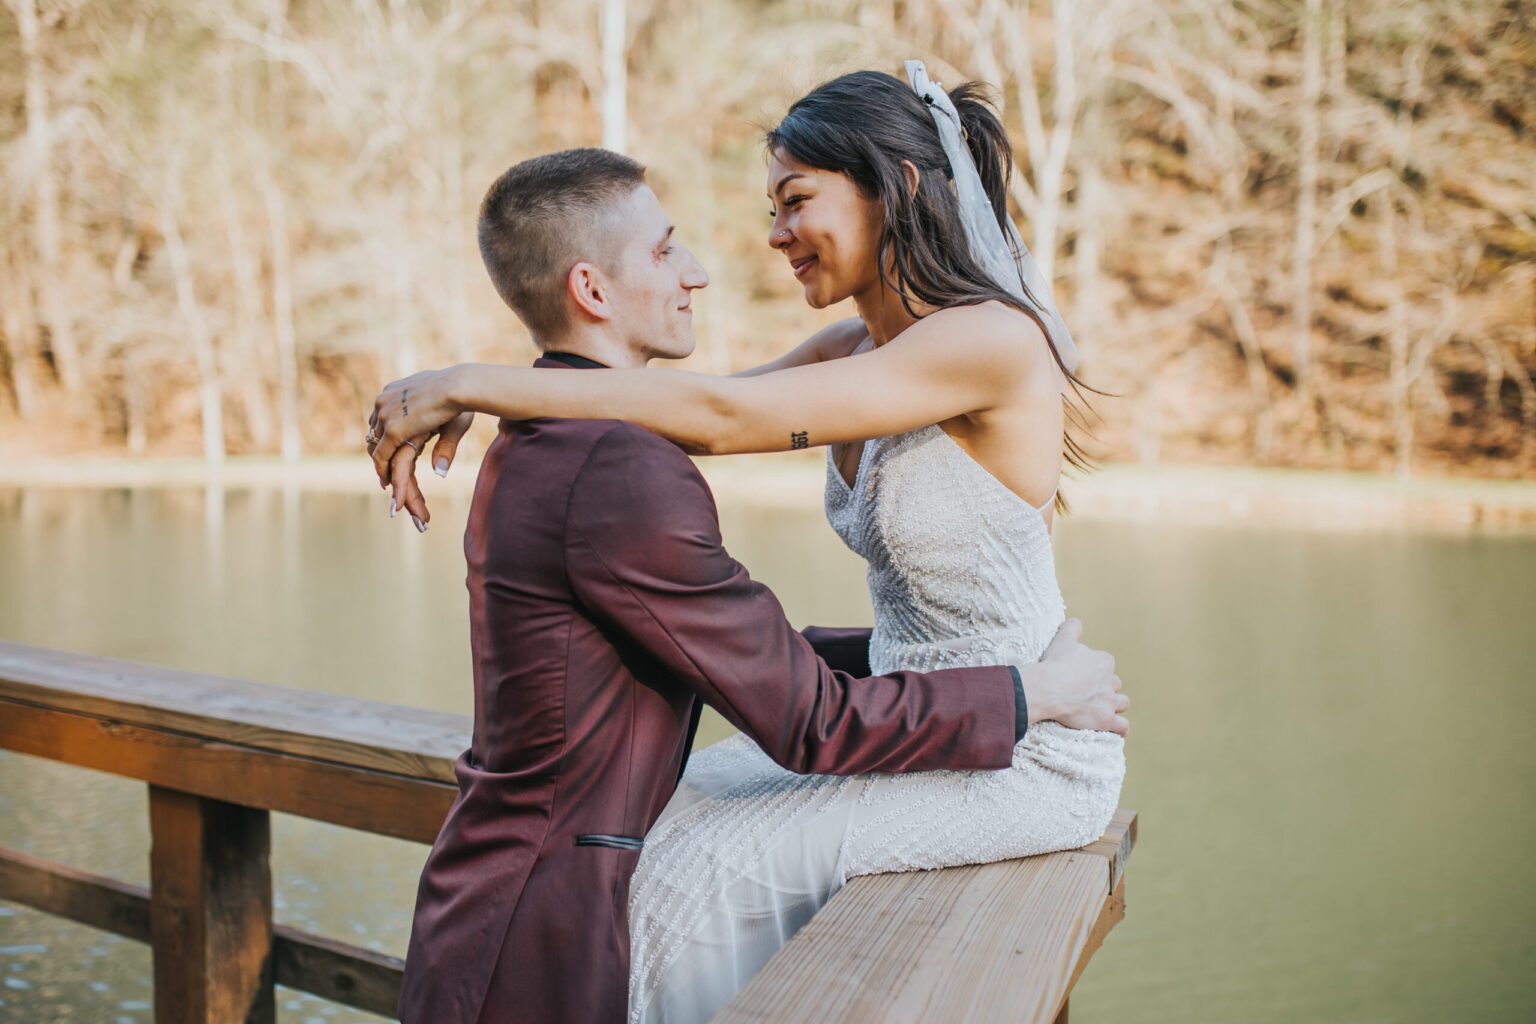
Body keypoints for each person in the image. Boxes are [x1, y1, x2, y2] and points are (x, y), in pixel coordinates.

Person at [387, 145, 1129, 1024]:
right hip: (538, 931)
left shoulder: (552, 442)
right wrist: (1022, 692)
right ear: (591, 290)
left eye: (794, 200)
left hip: (498, 898)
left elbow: (717, 456)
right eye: (667, 250)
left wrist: (484, 384)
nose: (703, 268)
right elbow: (805, 712)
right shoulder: (616, 464)